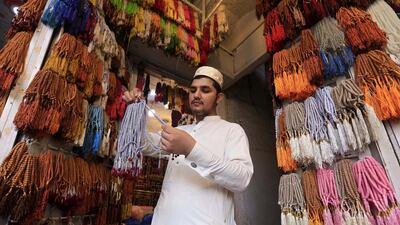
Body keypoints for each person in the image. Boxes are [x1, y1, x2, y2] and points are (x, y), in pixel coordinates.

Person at [123, 66, 254, 225]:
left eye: (205, 90)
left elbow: (242, 178)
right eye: (193, 90)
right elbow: (144, 144)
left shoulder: (231, 131)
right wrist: (135, 111)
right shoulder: (180, 131)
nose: (197, 95)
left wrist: (191, 150)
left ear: (218, 98)